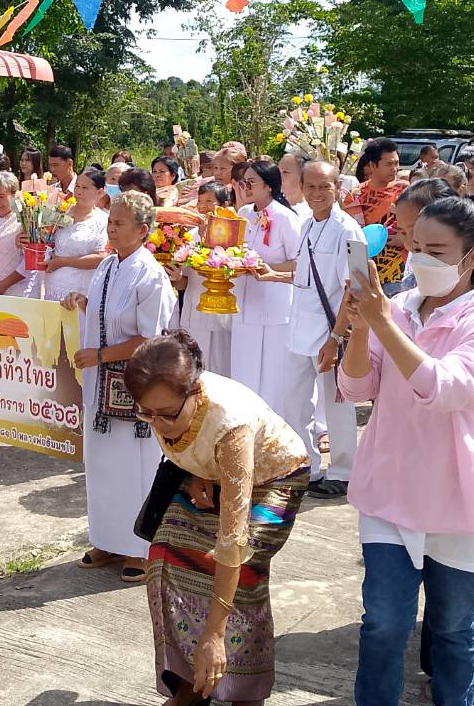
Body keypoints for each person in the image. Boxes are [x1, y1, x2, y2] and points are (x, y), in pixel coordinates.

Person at [338, 196, 474, 706]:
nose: (420, 260)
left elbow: (445, 389)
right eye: (415, 246)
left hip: (458, 498)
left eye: (435, 250)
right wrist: (360, 326)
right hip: (390, 489)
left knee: (455, 629)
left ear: (473, 257)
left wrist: (383, 323)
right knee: (383, 626)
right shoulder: (397, 306)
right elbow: (355, 389)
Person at [127, 333, 310, 705]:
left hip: (275, 476)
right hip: (215, 472)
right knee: (164, 558)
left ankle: (244, 691)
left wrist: (213, 636)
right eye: (147, 413)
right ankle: (189, 685)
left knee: (236, 573)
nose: (158, 424)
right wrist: (201, 473)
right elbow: (192, 441)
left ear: (195, 392)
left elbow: (232, 541)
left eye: (168, 414)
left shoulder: (231, 424)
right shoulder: (167, 406)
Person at [60, 192, 174, 585]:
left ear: (143, 231)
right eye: (110, 222)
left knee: (135, 468)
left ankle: (140, 548)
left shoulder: (150, 273)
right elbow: (107, 314)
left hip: (134, 384)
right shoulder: (108, 265)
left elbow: (149, 337)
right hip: (98, 382)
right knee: (102, 465)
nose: (111, 228)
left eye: (120, 223)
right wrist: (83, 301)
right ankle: (106, 539)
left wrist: (101, 354)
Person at [255, 160, 361, 498]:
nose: (316, 194)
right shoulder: (306, 225)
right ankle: (307, 468)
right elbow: (305, 277)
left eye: (324, 187)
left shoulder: (348, 230)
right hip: (299, 327)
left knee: (336, 405)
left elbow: (354, 288)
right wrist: (274, 276)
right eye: (311, 186)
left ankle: (343, 472)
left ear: (337, 188)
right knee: (293, 401)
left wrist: (336, 338)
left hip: (330, 332)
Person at [228, 162, 303, 406]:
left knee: (272, 376)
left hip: (274, 306)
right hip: (244, 303)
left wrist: (266, 269)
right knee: (243, 371)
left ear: (269, 187)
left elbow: (299, 263)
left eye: (251, 182)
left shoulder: (286, 218)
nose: (245, 187)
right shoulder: (244, 214)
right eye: (243, 182)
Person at [168, 183, 236, 377]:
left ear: (224, 205)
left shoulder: (233, 237)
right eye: (200, 201)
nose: (204, 206)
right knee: (195, 368)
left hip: (220, 315)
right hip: (193, 310)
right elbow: (185, 282)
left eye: (209, 201)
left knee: (221, 368)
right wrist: (176, 278)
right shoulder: (189, 237)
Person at [342, 137, 408, 290]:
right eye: (388, 164)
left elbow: (419, 223)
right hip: (366, 273)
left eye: (396, 163)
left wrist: (405, 238)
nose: (395, 168)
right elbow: (351, 236)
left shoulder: (406, 190)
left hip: (398, 271)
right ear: (372, 165)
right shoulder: (356, 194)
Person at [42, 168, 109, 303]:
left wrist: (63, 262)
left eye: (85, 188)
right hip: (53, 287)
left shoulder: (104, 220)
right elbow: (44, 239)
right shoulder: (61, 212)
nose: (79, 191)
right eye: (77, 186)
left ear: (100, 192)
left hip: (81, 292)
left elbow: (101, 257)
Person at [279, 150, 312, 217]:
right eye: (278, 171)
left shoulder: (311, 214)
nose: (278, 176)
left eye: (285, 172)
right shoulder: (272, 207)